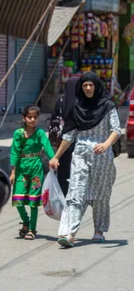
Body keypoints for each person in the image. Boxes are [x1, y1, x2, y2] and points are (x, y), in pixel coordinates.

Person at [49, 72, 121, 248]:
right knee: (75, 192)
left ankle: (99, 230)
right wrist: (56, 156)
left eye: (91, 85)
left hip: (102, 158)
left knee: (101, 196)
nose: (88, 88)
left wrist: (106, 144)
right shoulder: (77, 108)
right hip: (80, 155)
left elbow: (117, 130)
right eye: (84, 86)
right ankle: (69, 233)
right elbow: (69, 135)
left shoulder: (108, 106)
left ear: (96, 86)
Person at [10, 105, 55, 239]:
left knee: (33, 200)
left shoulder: (40, 133)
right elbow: (15, 152)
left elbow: (47, 146)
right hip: (21, 170)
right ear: (24, 118)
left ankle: (32, 229)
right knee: (18, 199)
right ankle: (26, 221)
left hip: (36, 168)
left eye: (35, 117)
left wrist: (54, 159)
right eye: (29, 117)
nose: (32, 120)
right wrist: (13, 172)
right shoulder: (18, 133)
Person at [49, 76, 79, 196]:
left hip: (62, 145)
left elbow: (53, 120)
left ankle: (63, 201)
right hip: (78, 145)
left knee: (64, 176)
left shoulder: (60, 101)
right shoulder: (81, 103)